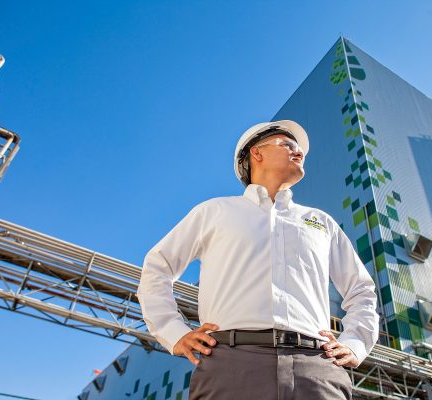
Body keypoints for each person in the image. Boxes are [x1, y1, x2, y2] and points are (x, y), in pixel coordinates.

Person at [137, 120, 379, 399]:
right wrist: (173, 331)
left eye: (299, 149)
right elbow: (157, 267)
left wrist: (355, 342)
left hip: (317, 367)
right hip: (231, 366)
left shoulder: (321, 222)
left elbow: (361, 289)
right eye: (287, 144)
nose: (299, 152)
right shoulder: (214, 211)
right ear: (256, 153)